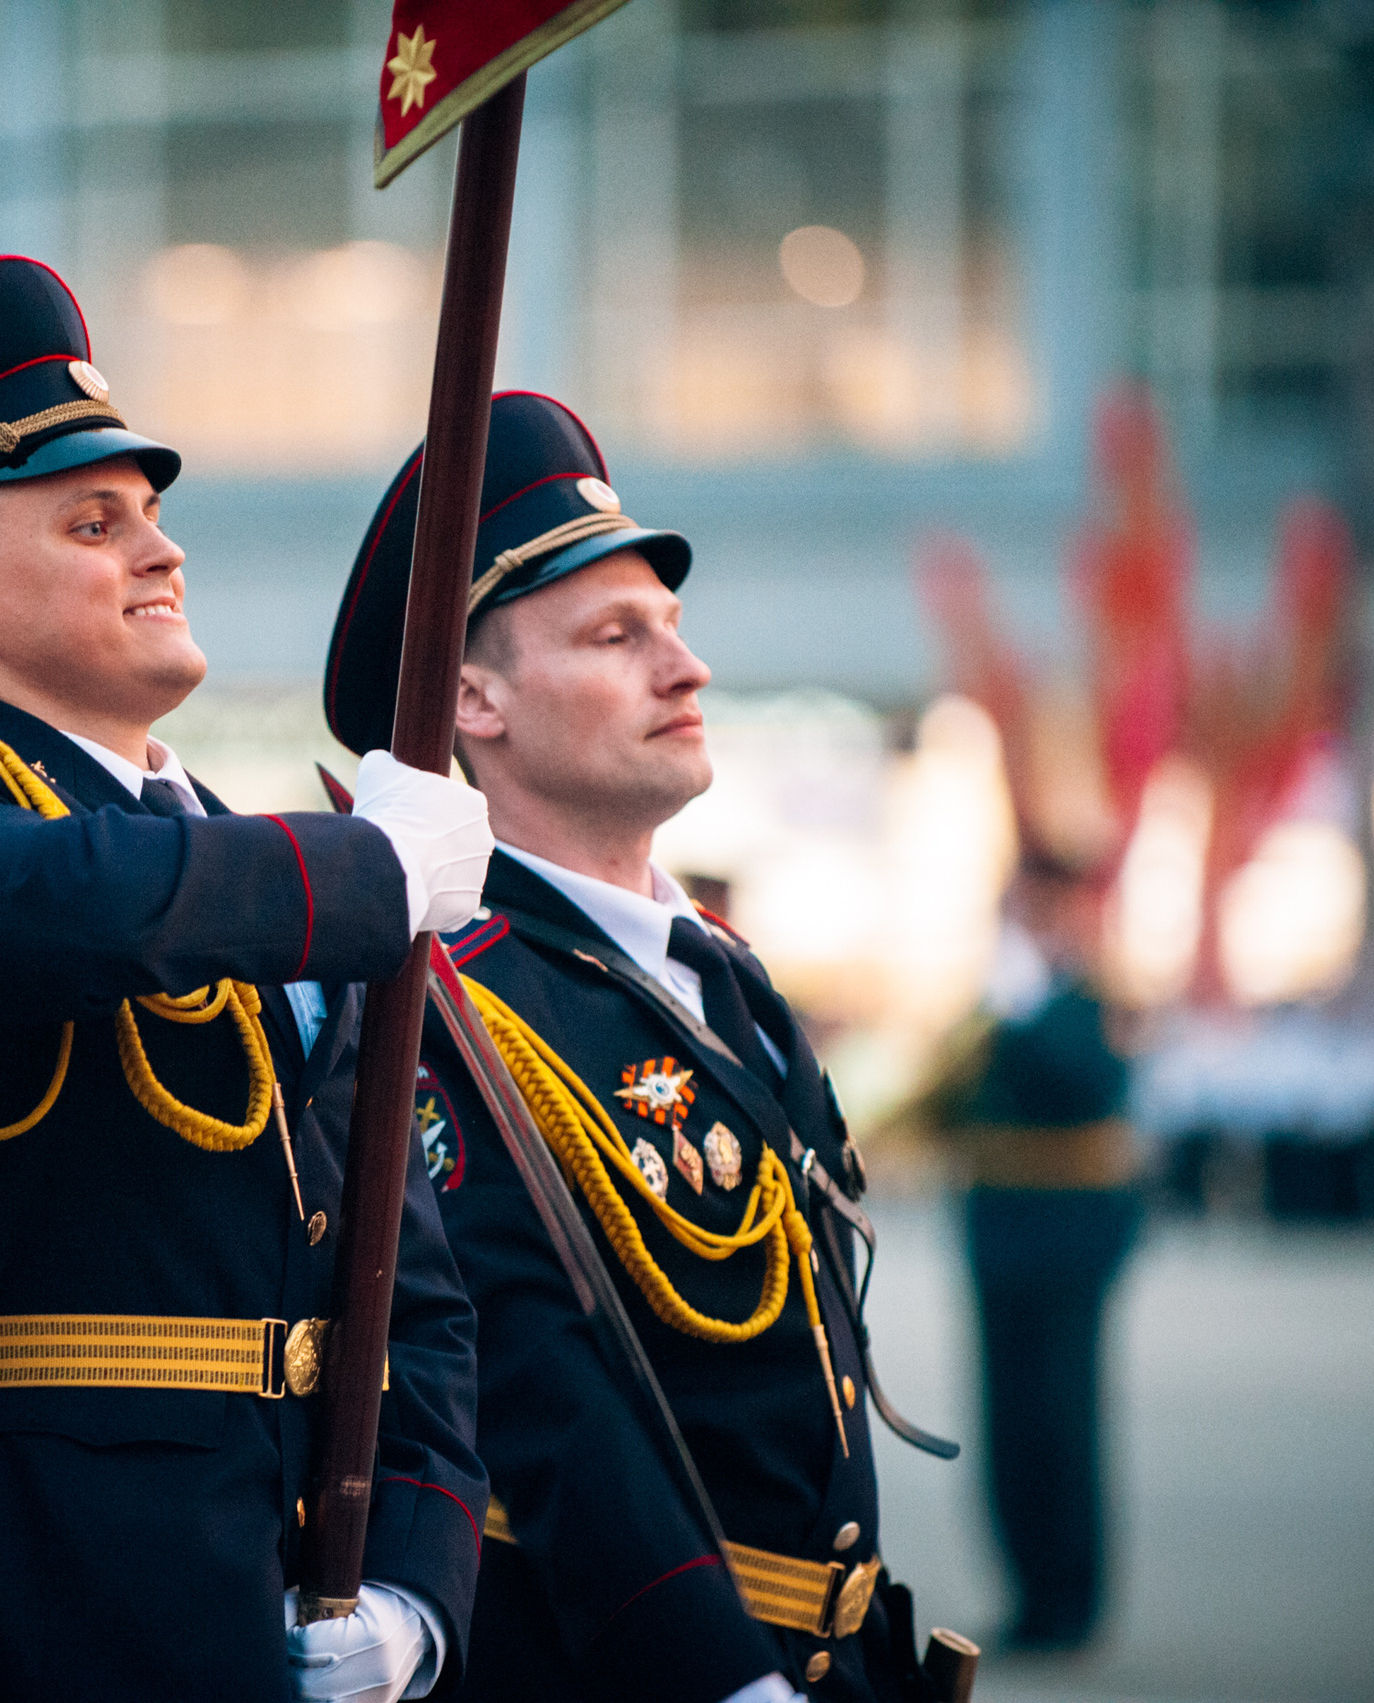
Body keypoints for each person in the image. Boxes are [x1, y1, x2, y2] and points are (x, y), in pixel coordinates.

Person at [0, 254, 491, 1703]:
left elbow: (408, 1288)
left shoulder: (242, 869)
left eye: (152, 517)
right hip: (62, 1574)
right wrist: (362, 871)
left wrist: (415, 1586)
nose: (161, 552)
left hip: (295, 1570)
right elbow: (32, 904)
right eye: (95, 523)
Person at [321, 392, 940, 1703]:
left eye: (672, 624)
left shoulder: (715, 969)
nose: (685, 667)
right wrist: (722, 1677)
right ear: (474, 698)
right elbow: (534, 1391)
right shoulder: (449, 1002)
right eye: (617, 635)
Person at [939, 852, 1142, 1651]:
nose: (1024, 924)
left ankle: (1069, 1594)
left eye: (1038, 908)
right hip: (998, 1224)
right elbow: (950, 1094)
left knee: (1062, 1416)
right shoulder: (998, 996)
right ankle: (1026, 1586)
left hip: (1066, 1231)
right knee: (1008, 1416)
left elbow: (1084, 1080)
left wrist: (1023, 1008)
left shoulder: (1093, 993)